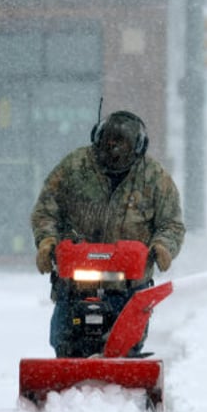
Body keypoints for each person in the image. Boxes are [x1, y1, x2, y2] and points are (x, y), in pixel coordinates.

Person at [30, 110, 185, 357]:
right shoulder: (74, 167)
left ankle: (122, 380)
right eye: (107, 143)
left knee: (126, 347)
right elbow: (46, 210)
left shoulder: (155, 179)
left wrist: (163, 246)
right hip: (75, 282)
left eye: (120, 146)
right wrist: (47, 241)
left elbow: (171, 224)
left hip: (129, 286)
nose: (112, 151)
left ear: (137, 149)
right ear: (98, 139)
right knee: (66, 341)